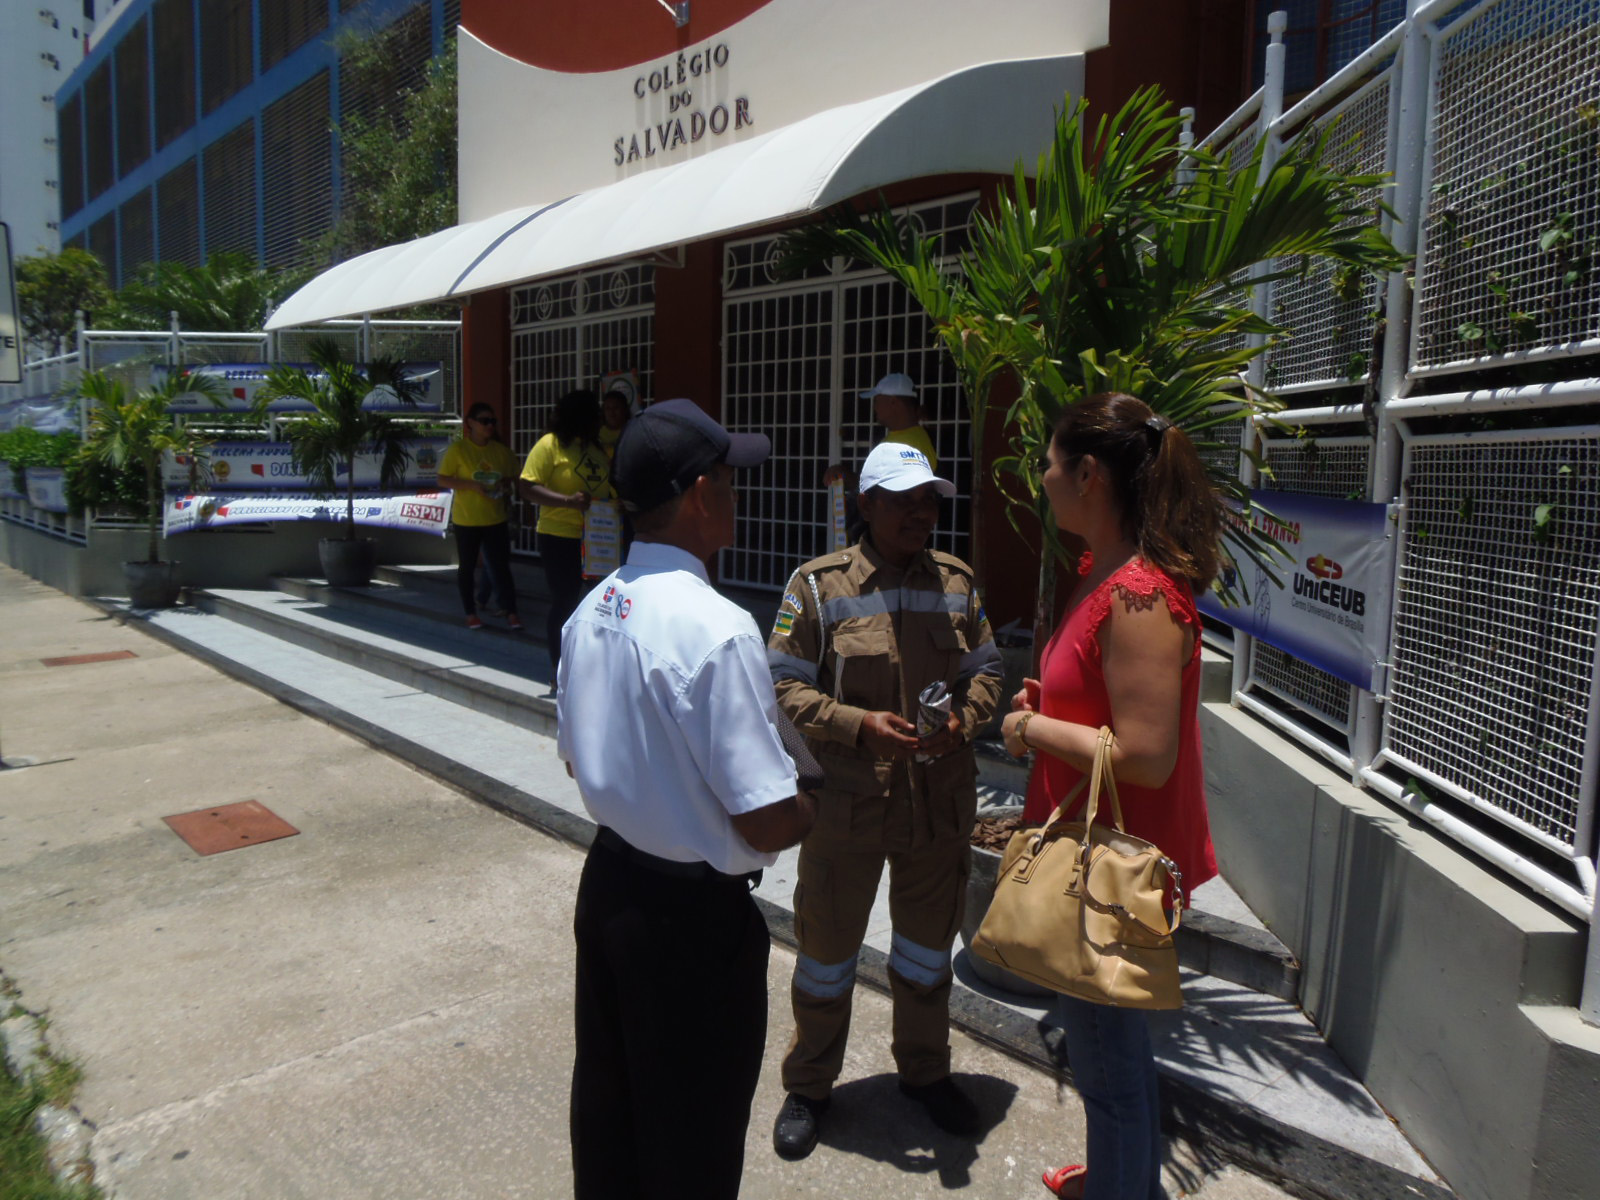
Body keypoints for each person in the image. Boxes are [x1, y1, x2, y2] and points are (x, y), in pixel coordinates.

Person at [558, 398, 817, 1200]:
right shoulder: (718, 628)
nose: (737, 496)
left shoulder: (591, 609)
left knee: (612, 1115)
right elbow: (764, 814)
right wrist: (813, 798)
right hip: (690, 927)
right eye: (731, 481)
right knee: (692, 1143)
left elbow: (577, 761)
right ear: (702, 491)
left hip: (610, 890)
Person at [998, 392, 1222, 1200]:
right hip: (1091, 862)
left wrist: (1029, 733)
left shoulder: (1139, 596)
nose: (1043, 478)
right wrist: (1052, 708)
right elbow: (1107, 709)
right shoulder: (1107, 577)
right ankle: (1118, 1180)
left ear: (1088, 473)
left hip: (1113, 877)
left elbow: (1147, 755)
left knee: (1109, 1065)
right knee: (1109, 1054)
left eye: (1050, 464)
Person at [767, 441, 1003, 1159]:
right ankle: (809, 1086)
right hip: (848, 808)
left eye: (929, 498)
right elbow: (781, 683)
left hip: (938, 809)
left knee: (928, 957)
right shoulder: (817, 585)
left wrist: (966, 718)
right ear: (866, 504)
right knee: (826, 957)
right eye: (903, 499)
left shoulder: (958, 581)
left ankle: (925, 1074)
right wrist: (857, 725)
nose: (920, 512)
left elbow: (988, 668)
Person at [518, 389, 611, 672]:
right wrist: (568, 502)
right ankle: (559, 670)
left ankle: (592, 666)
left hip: (598, 539)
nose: (600, 419)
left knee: (601, 604)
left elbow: (607, 488)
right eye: (594, 414)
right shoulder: (549, 445)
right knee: (565, 600)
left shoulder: (596, 449)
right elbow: (526, 486)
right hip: (559, 536)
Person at [435, 403, 522, 631]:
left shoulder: (500, 451)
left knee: (501, 567)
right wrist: (472, 485)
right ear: (470, 423)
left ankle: (511, 612)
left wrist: (504, 485)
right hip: (467, 520)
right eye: (485, 421)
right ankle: (470, 613)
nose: (490, 426)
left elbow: (514, 476)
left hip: (495, 518)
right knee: (468, 567)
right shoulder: (458, 450)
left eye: (492, 421)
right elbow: (443, 479)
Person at [598, 386, 632, 459]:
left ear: (625, 409)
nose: (611, 413)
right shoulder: (597, 434)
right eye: (608, 408)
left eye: (616, 407)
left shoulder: (633, 433)